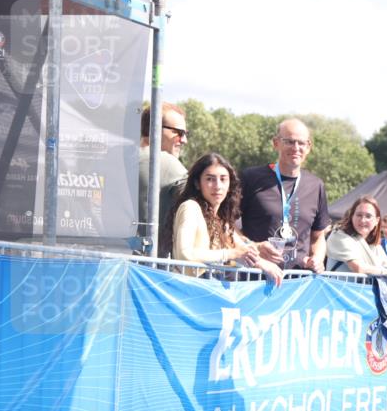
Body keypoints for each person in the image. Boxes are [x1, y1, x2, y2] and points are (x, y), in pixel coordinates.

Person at [159, 152, 282, 285]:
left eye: (223, 179)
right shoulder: (191, 207)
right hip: (190, 292)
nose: (218, 186)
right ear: (197, 183)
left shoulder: (219, 218)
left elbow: (240, 246)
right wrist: (230, 254)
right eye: (210, 179)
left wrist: (259, 251)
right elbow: (185, 254)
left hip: (208, 293)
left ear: (230, 185)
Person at [240, 118, 330, 271]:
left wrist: (317, 259)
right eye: (289, 141)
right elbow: (228, 226)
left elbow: (318, 237)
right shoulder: (251, 178)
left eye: (301, 143)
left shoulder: (316, 186)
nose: (296, 148)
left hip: (296, 284)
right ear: (276, 143)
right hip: (254, 280)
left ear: (308, 147)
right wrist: (254, 247)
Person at [138, 102, 188, 252]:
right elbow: (205, 207)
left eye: (186, 134)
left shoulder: (122, 157)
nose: (184, 140)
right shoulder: (166, 162)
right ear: (155, 129)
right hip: (149, 268)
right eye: (178, 133)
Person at [325, 196, 387, 279]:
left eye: (368, 216)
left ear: (377, 220)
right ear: (352, 216)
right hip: (338, 291)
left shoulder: (373, 244)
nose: (362, 220)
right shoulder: (340, 235)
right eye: (359, 215)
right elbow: (358, 267)